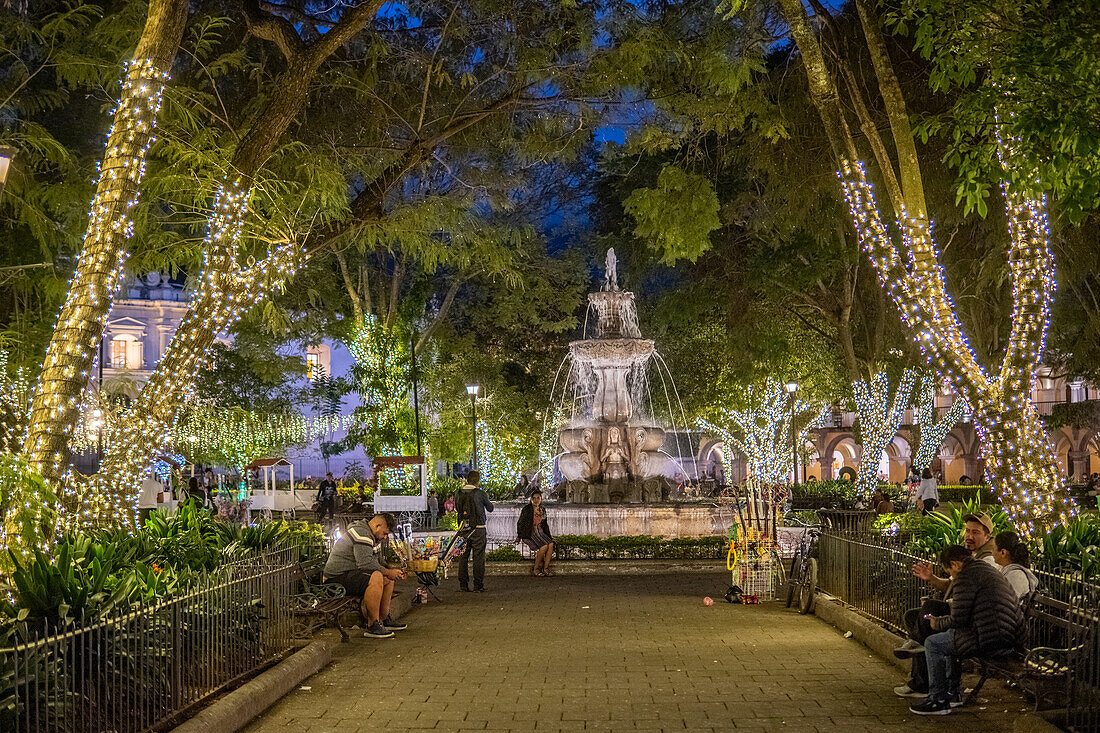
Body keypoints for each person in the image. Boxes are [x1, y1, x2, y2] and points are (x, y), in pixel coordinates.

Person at [910, 545, 1022, 715]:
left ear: (955, 564)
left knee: (933, 643)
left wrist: (936, 623)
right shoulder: (982, 568)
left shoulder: (965, 576)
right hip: (1005, 633)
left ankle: (938, 699)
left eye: (949, 571)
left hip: (989, 637)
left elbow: (958, 618)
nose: (951, 576)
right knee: (949, 637)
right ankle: (952, 694)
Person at [322, 512, 406, 638]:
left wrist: (391, 570)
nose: (385, 538)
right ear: (377, 526)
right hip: (335, 579)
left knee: (387, 579)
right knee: (377, 576)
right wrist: (388, 571)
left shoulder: (369, 534)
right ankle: (372, 624)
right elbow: (365, 563)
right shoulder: (362, 533)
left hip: (349, 573)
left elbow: (376, 560)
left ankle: (383, 618)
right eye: (385, 533)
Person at [456, 470, 493, 592]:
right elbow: (490, 508)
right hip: (478, 529)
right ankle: (478, 585)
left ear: (467, 479)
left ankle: (463, 585)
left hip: (463, 529)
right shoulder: (480, 493)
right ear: (478, 480)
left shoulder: (459, 493)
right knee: (478, 557)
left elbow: (457, 508)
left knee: (463, 557)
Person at [517, 488, 555, 577]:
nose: (536, 500)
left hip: (540, 531)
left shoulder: (542, 509)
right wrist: (519, 535)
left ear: (541, 499)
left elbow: (545, 524)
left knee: (551, 544)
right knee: (544, 546)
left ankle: (545, 568)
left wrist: (549, 536)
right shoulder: (527, 509)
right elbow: (520, 522)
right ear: (531, 499)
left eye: (538, 498)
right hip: (531, 532)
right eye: (534, 498)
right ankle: (536, 569)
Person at [993, 531, 1040, 601]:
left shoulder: (1016, 576)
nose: (992, 552)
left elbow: (1005, 602)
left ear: (1003, 552)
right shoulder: (1005, 570)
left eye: (994, 549)